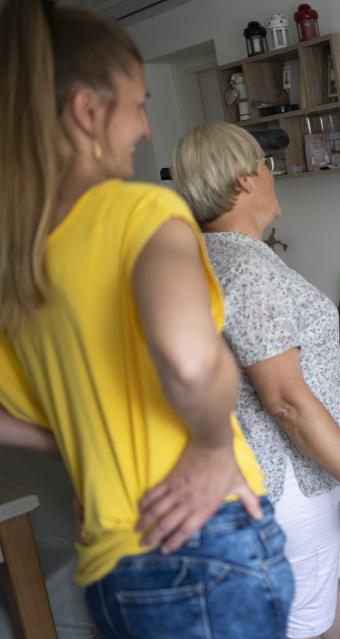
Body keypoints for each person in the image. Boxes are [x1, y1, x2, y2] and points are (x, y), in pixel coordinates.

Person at [0, 2, 294, 636]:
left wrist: (93, 450)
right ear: (87, 112)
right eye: (138, 105)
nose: (142, 129)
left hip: (111, 561)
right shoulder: (138, 211)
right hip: (204, 536)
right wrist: (213, 446)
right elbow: (188, 357)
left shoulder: (15, 259)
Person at [172, 122, 340, 639]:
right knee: (302, 621)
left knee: (337, 574)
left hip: (271, 474)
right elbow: (285, 400)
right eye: (265, 165)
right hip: (285, 479)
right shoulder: (248, 269)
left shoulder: (203, 257)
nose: (273, 174)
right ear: (244, 181)